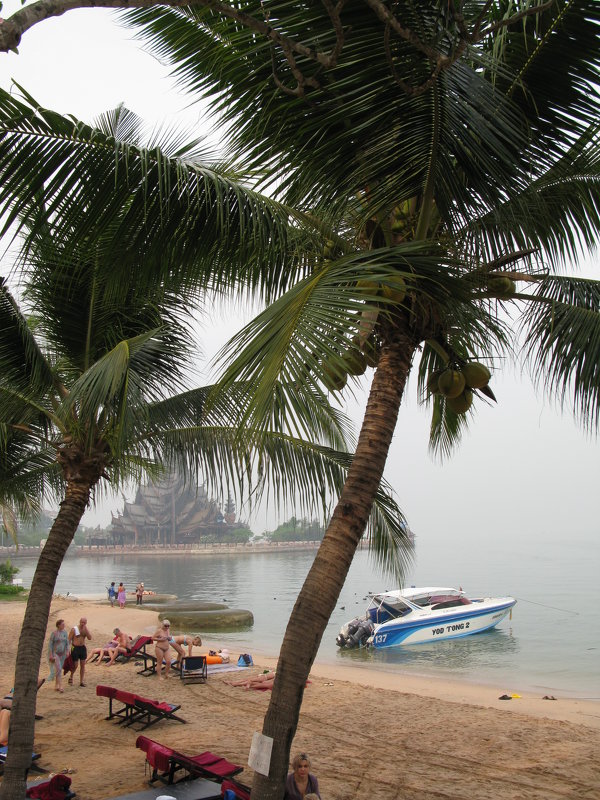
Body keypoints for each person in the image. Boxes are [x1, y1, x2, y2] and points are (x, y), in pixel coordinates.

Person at [68, 617, 91, 686]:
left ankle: (81, 681)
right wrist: (67, 649)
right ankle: (71, 676)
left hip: (82, 648)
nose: (83, 624)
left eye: (84, 623)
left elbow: (90, 638)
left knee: (83, 665)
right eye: (82, 622)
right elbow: (69, 639)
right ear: (79, 622)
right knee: (75, 665)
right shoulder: (74, 629)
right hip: (75, 648)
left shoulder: (85, 629)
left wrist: (86, 630)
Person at [48, 619, 69, 692]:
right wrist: (50, 654)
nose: (64, 625)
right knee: (59, 669)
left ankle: (56, 685)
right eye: (62, 624)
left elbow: (67, 643)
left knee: (59, 669)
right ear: (58, 625)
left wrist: (67, 651)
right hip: (55, 653)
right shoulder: (54, 633)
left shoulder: (65, 633)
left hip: (62, 653)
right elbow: (50, 644)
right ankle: (60, 686)